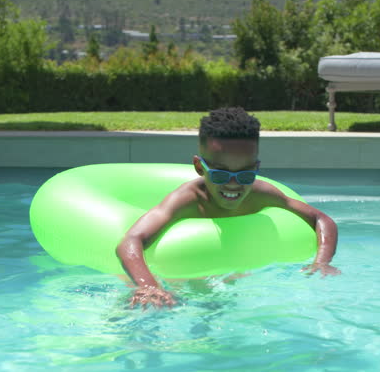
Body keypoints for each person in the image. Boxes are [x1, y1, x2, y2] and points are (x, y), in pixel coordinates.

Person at [116, 107, 339, 309]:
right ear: (199, 167)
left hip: (232, 278)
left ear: (256, 168)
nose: (233, 184)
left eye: (245, 174)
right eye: (221, 174)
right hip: (184, 275)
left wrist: (321, 263)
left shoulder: (261, 194)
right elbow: (130, 241)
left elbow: (321, 219)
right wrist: (148, 286)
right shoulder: (187, 201)